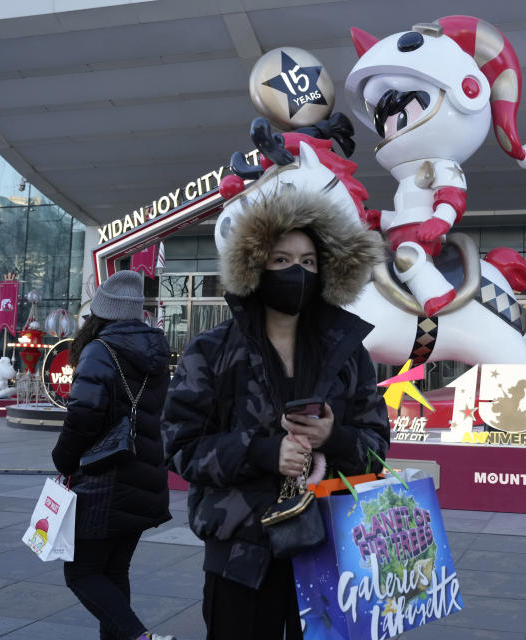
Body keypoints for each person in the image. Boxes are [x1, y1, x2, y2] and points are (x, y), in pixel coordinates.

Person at [161, 190, 390, 639]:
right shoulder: (213, 351)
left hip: (334, 552)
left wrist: (333, 437)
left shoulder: (347, 353)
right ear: (256, 266)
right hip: (241, 555)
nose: (297, 272)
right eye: (281, 260)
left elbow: (376, 448)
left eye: (307, 262)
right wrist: (263, 452)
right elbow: (179, 445)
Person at [51, 269, 175, 640]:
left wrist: (63, 459)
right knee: (115, 571)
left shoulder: (100, 350)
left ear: (101, 312)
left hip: (104, 482)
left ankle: (141, 637)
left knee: (82, 573)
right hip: (144, 478)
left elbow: (84, 415)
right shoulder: (155, 351)